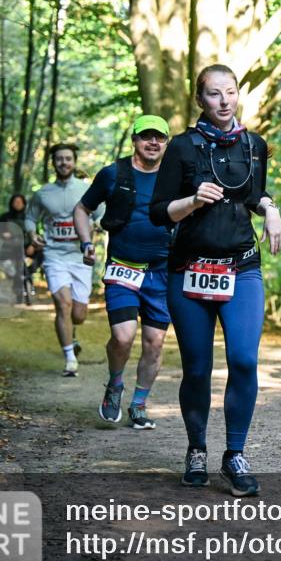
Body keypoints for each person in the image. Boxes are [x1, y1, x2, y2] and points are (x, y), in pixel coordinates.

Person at [149, 63, 281, 494]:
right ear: (200, 99)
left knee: (244, 360)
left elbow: (252, 194)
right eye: (214, 94)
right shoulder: (182, 148)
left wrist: (271, 209)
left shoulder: (255, 145)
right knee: (198, 368)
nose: (224, 101)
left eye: (230, 92)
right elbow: (158, 212)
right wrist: (191, 201)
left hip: (242, 267)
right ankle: (196, 449)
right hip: (190, 270)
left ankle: (235, 454)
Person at [73, 115, 172, 430]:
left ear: (167, 143)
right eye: (147, 136)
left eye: (159, 137)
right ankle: (115, 383)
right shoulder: (113, 174)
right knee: (122, 336)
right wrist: (86, 242)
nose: (153, 142)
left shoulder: (176, 178)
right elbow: (82, 209)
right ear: (135, 140)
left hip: (162, 273)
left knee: (154, 342)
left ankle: (140, 404)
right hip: (123, 269)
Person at [25, 143, 100, 377]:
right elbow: (30, 217)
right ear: (53, 163)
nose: (64, 163)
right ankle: (69, 359)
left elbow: (102, 213)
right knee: (63, 305)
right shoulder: (43, 193)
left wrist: (97, 225)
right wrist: (31, 234)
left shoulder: (86, 189)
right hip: (54, 255)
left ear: (74, 161)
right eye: (59, 159)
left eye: (68, 158)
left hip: (80, 256)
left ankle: (72, 334)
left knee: (79, 314)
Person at [0, 193, 38, 304]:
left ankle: (29, 278)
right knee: (7, 265)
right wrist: (4, 234)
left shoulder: (29, 218)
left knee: (40, 257)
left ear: (24, 203)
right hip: (10, 248)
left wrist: (32, 246)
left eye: (20, 202)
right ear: (11, 203)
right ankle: (16, 282)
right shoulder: (4, 217)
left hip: (26, 247)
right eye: (15, 202)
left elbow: (35, 234)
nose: (18, 204)